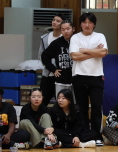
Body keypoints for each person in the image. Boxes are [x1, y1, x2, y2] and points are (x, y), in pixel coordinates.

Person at [70, 12, 108, 144]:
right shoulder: (75, 37)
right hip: (79, 76)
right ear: (80, 24)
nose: (87, 25)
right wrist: (94, 51)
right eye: (84, 22)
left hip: (96, 76)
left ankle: (97, 136)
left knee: (97, 107)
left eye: (90, 22)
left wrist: (84, 50)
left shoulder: (100, 36)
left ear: (94, 25)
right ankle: (85, 135)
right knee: (82, 108)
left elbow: (103, 52)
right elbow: (74, 56)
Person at [42, 20, 74, 98]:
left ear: (73, 29)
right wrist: (53, 69)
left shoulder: (78, 41)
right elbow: (44, 56)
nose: (66, 31)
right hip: (61, 80)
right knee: (60, 101)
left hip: (75, 80)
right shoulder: (56, 43)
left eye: (68, 29)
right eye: (63, 29)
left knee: (75, 103)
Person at [39, 13, 64, 105]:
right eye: (53, 20)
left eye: (58, 21)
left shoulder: (65, 38)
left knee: (61, 100)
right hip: (47, 73)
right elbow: (41, 55)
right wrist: (51, 68)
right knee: (43, 100)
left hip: (62, 74)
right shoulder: (44, 38)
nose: (54, 22)